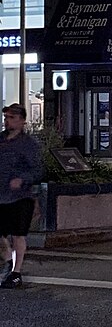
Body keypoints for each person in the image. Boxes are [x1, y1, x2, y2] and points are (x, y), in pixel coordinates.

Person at [0, 103, 42, 289]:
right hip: (1, 194)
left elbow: (39, 170)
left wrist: (23, 179)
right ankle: (8, 259)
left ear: (22, 121)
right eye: (6, 117)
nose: (7, 121)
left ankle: (16, 273)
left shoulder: (29, 144)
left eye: (12, 117)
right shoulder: (1, 140)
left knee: (18, 235)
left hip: (21, 196)